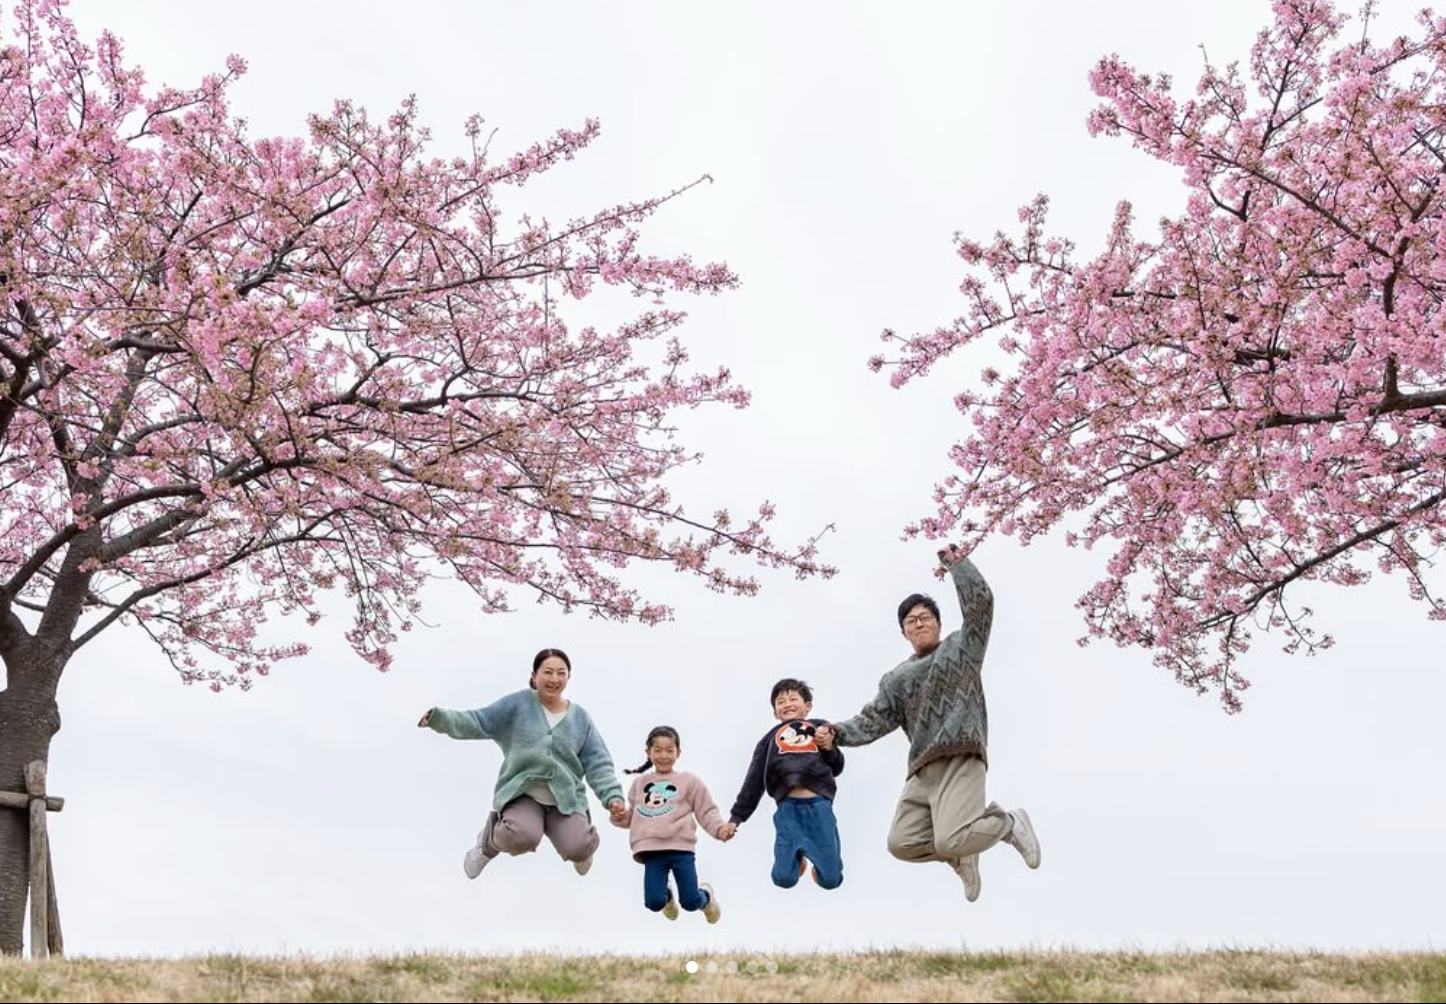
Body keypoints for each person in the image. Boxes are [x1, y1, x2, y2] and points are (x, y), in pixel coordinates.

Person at [818, 545, 1040, 903]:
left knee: (950, 837)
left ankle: (1009, 823)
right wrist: (837, 733)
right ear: (903, 632)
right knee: (901, 843)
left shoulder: (962, 649)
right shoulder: (896, 679)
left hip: (960, 755)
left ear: (939, 623)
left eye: (925, 617)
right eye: (911, 621)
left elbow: (981, 605)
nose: (919, 623)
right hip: (922, 769)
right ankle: (962, 856)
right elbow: (872, 720)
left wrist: (957, 564)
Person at [418, 647, 627, 879]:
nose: (554, 679)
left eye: (561, 673)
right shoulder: (518, 705)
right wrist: (440, 719)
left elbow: (598, 762)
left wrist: (612, 797)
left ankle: (580, 847)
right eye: (548, 672)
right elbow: (478, 721)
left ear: (569, 677)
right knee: (521, 837)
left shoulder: (580, 718)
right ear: (534, 676)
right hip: (524, 796)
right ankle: (486, 844)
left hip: (566, 800)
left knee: (580, 846)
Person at [728, 678, 845, 890]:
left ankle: (818, 867)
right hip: (788, 809)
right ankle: (797, 861)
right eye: (780, 702)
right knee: (783, 879)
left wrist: (829, 747)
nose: (787, 704)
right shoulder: (769, 740)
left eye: (793, 699)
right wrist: (736, 817)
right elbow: (754, 780)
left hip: (819, 807)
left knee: (831, 880)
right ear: (775, 712)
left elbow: (837, 766)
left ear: (807, 706)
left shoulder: (819, 728)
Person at [614, 725, 733, 923]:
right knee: (654, 902)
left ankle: (706, 898)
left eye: (669, 750)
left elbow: (706, 811)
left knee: (690, 901)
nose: (664, 755)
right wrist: (619, 816)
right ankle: (667, 897)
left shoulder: (689, 781)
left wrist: (720, 829)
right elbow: (633, 817)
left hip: (681, 849)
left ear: (678, 752)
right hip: (651, 850)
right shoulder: (640, 783)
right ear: (648, 752)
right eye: (658, 750)